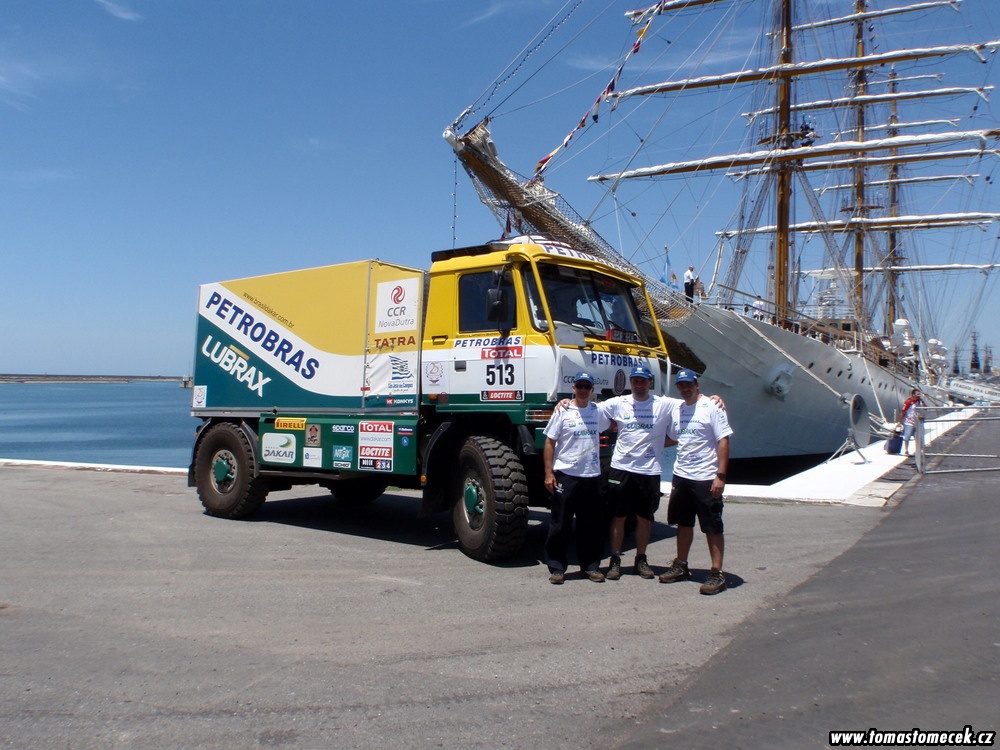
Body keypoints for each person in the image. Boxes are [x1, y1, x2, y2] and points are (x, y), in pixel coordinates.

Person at [658, 369, 733, 595]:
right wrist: (645, 440)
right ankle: (681, 565)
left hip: (705, 477)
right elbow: (674, 438)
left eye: (688, 384)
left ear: (696, 385)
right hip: (682, 475)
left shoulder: (712, 407)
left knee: (712, 525)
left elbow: (723, 440)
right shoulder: (680, 409)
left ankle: (717, 572)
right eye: (681, 385)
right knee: (683, 523)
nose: (685, 388)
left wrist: (720, 476)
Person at [542, 371, 611, 584]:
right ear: (573, 388)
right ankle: (556, 567)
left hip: (591, 476)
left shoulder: (597, 411)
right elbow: (549, 443)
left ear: (592, 390)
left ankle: (590, 567)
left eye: (586, 387)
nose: (582, 390)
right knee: (560, 524)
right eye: (579, 386)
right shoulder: (562, 411)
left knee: (590, 525)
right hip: (566, 475)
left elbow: (626, 408)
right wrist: (548, 473)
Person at [900, 388, 923, 455]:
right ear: (913, 395)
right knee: (907, 436)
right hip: (909, 421)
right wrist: (900, 422)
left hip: (917, 421)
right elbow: (903, 412)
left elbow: (925, 408)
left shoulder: (919, 402)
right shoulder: (908, 402)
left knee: (918, 436)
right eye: (917, 394)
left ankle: (919, 450)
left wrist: (922, 401)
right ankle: (906, 450)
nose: (919, 395)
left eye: (919, 394)